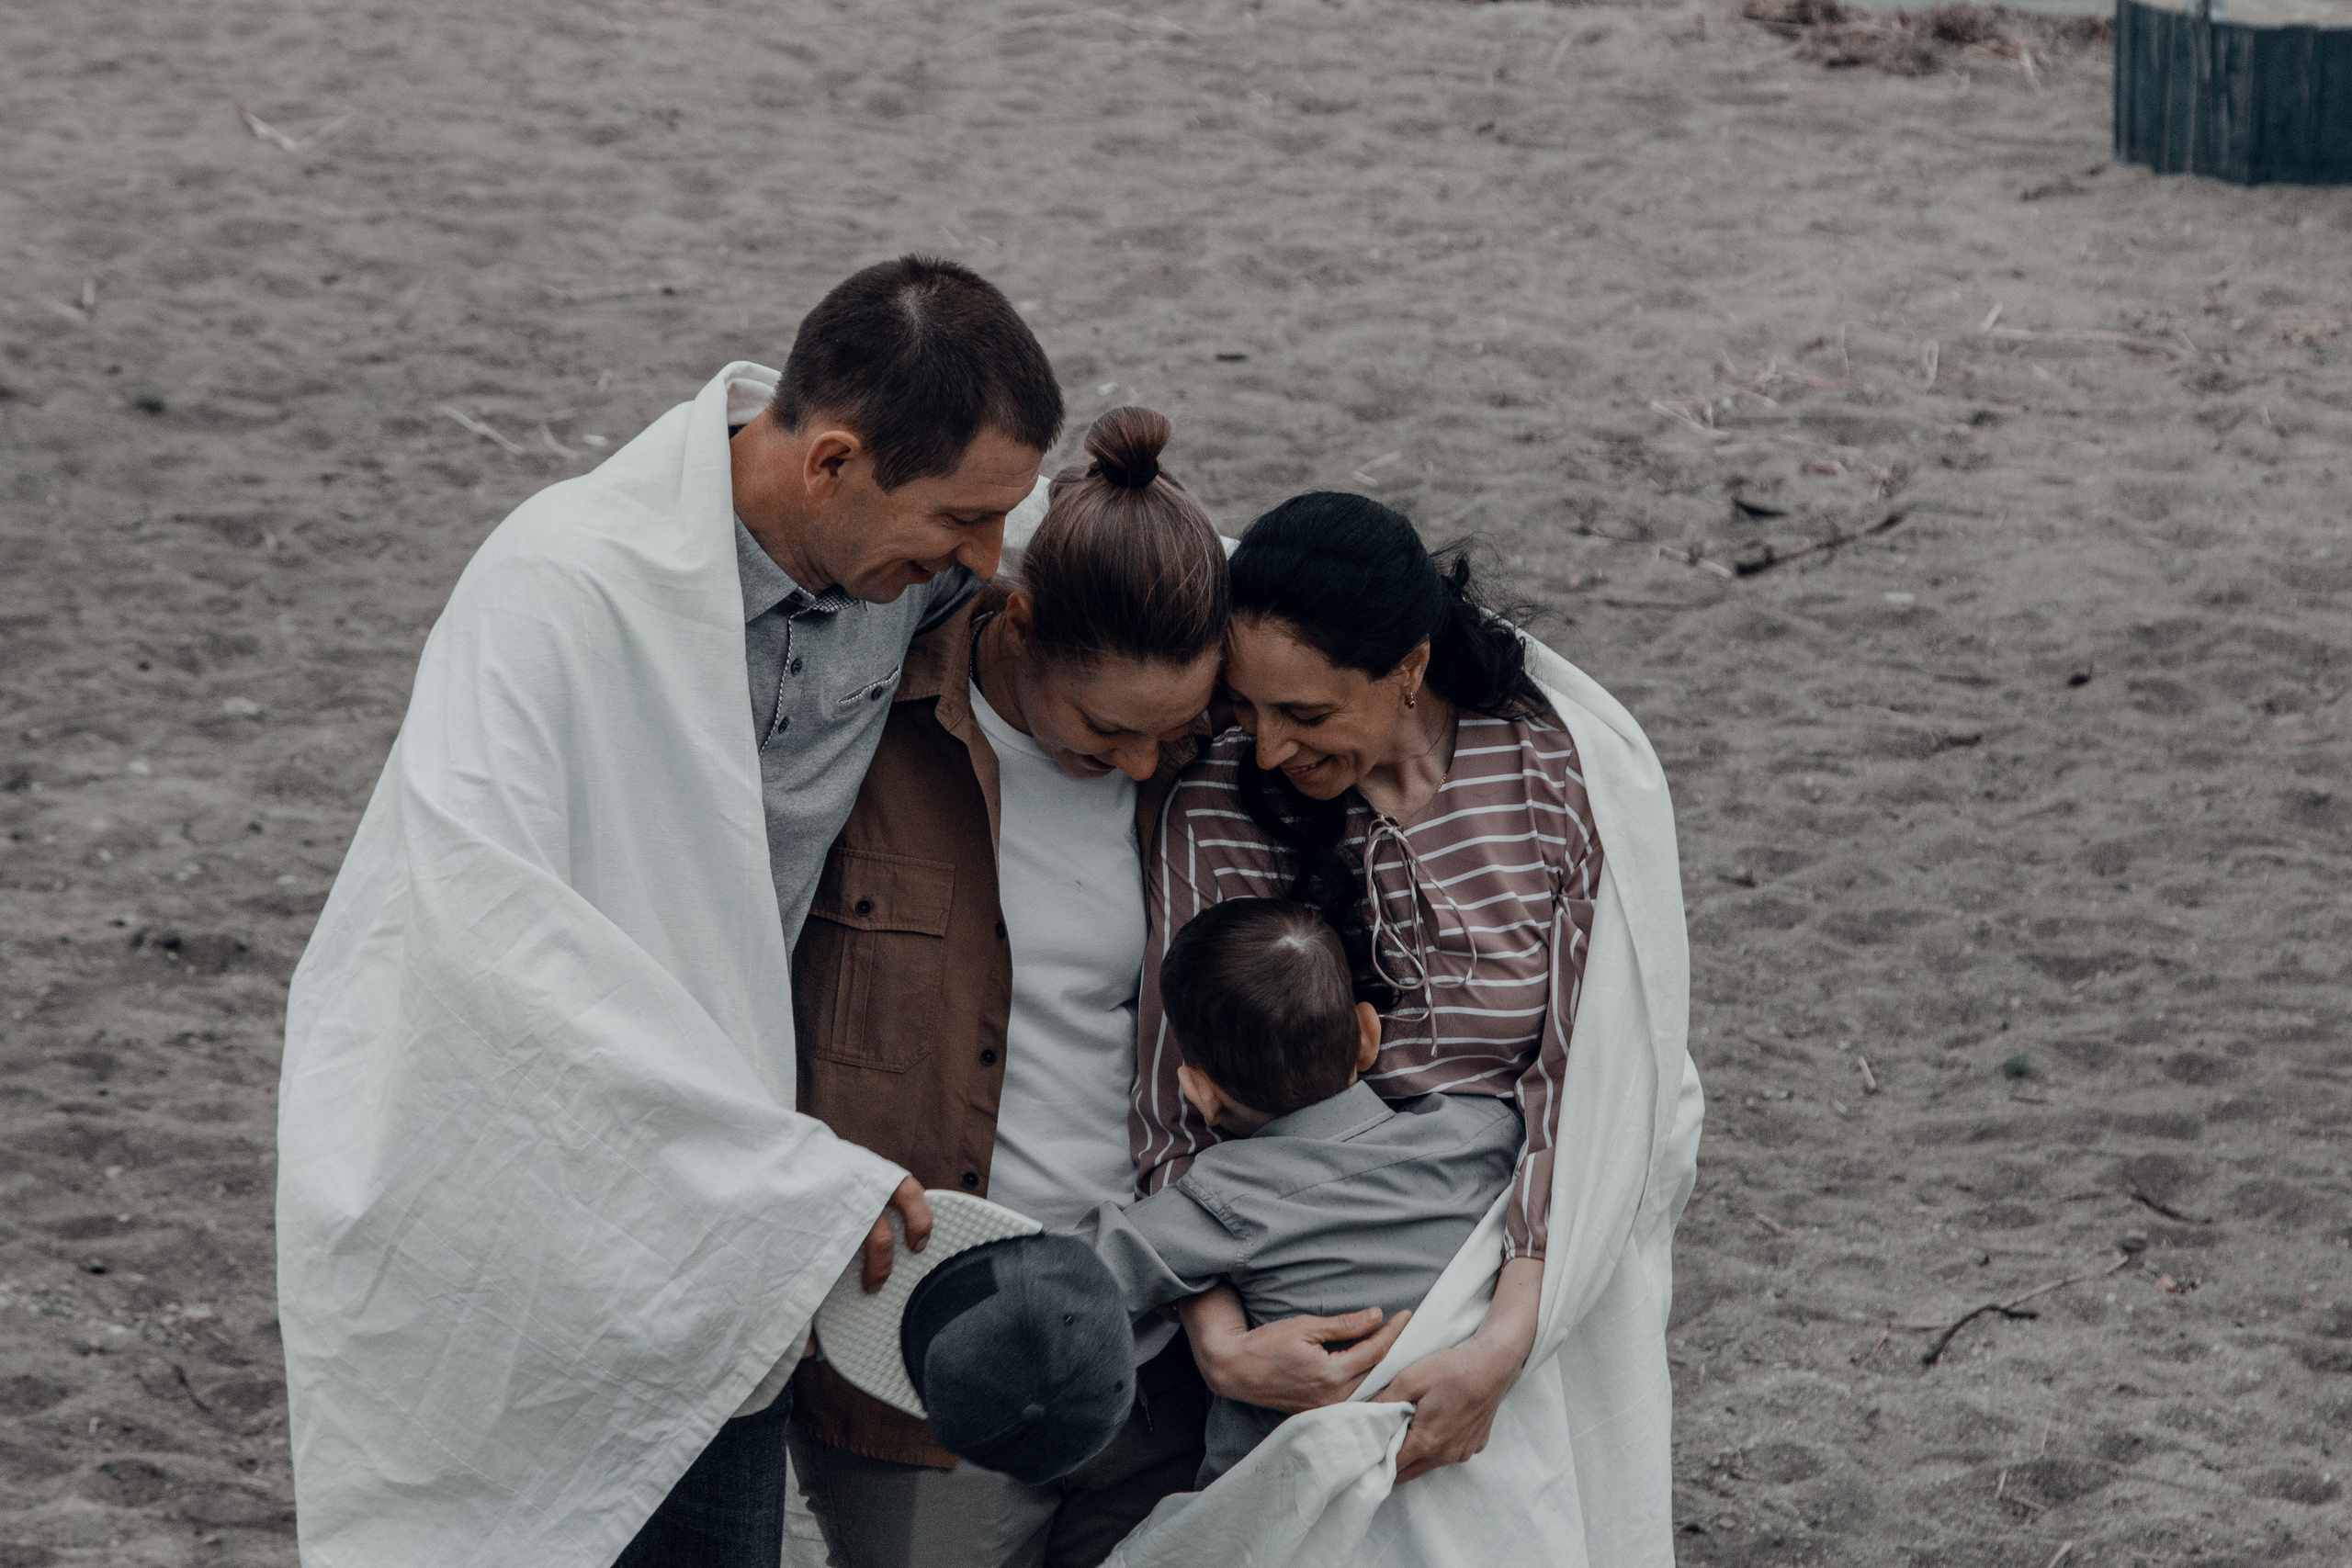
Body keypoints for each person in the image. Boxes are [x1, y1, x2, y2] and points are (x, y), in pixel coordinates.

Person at [276, 256, 1063, 1568]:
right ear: (831, 465)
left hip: (724, 1240)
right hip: (552, 1181)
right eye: (963, 519)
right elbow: (487, 928)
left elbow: (1173, 568)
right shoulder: (560, 583)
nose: (987, 561)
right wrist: (781, 1175)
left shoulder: (905, 564)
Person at [784, 407, 1230, 1568]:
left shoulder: (1208, 770)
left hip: (1159, 1346)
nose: (1140, 762)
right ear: (1018, 627)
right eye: (1105, 733)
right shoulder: (860, 729)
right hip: (924, 1352)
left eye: (1169, 730)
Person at [1134, 491, 1604, 1487]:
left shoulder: (1549, 776)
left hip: (1521, 1280)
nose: (1265, 750)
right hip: (1291, 1296)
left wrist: (1501, 1347)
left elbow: (1587, 1084)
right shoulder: (1217, 802)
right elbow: (1171, 1101)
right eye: (1244, 707)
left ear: (1410, 669)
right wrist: (1223, 1349)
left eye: (1304, 714)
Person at [1073, 897, 1521, 1486]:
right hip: (1468, 1476)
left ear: (1198, 1093)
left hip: (1283, 1511)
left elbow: (1065, 1283)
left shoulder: (1218, 1200)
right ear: (1367, 1034)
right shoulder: (1485, 1135)